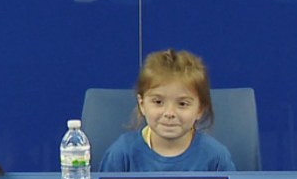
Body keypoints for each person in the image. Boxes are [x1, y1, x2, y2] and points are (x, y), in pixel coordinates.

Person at [99, 49, 236, 172]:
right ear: (142, 105)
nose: (169, 113)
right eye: (158, 102)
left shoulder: (216, 158)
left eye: (182, 104)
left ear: (199, 109)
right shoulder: (122, 154)